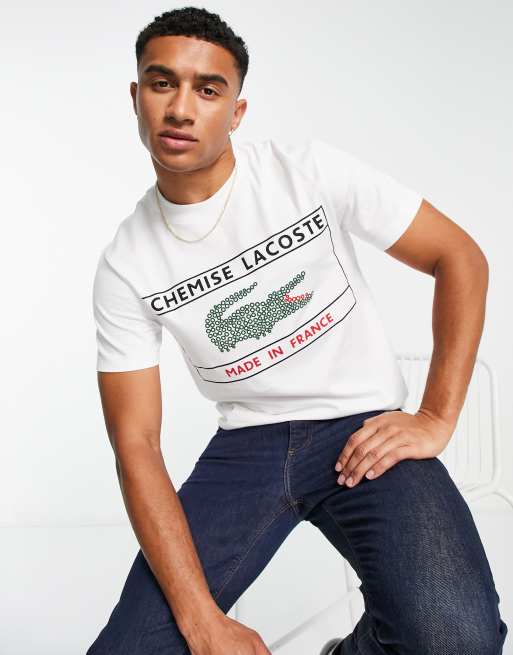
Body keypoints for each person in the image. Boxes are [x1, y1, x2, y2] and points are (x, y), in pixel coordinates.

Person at [87, 6, 508, 655]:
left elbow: (459, 257)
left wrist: (435, 416)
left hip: (361, 429)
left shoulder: (306, 171)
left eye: (208, 89)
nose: (180, 108)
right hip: (247, 449)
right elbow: (135, 443)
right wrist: (202, 620)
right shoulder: (126, 263)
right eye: (162, 82)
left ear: (237, 111)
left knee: (458, 642)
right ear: (135, 96)